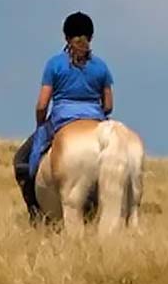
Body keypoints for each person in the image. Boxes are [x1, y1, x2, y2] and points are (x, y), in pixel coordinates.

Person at [13, 11, 113, 221]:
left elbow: (42, 105)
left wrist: (41, 125)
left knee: (22, 160)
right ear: (91, 37)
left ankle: (37, 214)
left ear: (66, 37)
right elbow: (109, 105)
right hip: (96, 120)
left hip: (61, 119)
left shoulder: (54, 64)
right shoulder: (101, 66)